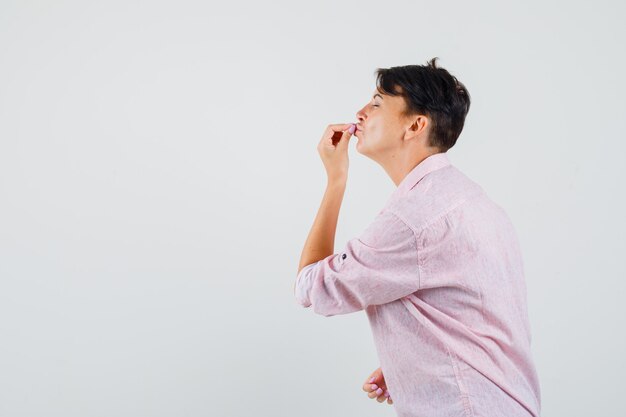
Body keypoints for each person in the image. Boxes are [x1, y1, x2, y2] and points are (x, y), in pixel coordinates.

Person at [294, 57, 542, 417]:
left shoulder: (413, 220)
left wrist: (335, 180)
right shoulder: (476, 203)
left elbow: (312, 287)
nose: (360, 112)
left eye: (377, 102)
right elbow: (480, 318)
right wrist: (416, 361)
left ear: (415, 125)